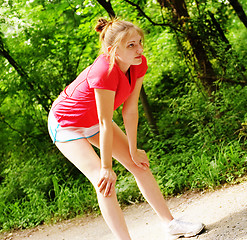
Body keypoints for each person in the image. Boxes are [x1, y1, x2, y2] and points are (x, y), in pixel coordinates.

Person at [48, 18, 205, 240]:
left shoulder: (138, 63)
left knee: (139, 165)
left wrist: (133, 150)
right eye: (131, 45)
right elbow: (104, 121)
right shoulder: (104, 71)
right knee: (104, 183)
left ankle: (171, 224)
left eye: (140, 42)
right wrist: (106, 167)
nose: (139, 49)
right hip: (67, 124)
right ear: (113, 50)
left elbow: (130, 110)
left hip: (94, 121)